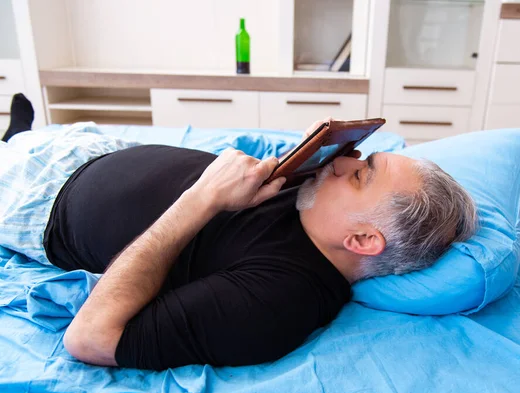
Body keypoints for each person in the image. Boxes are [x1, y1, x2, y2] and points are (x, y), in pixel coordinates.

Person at [0, 94, 477, 371]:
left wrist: (202, 197)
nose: (343, 163)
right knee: (27, 136)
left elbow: (89, 338)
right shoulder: (319, 209)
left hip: (40, 197)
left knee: (15, 149)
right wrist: (308, 156)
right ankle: (19, 133)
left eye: (359, 175)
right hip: (99, 151)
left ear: (364, 242)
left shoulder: (275, 302)